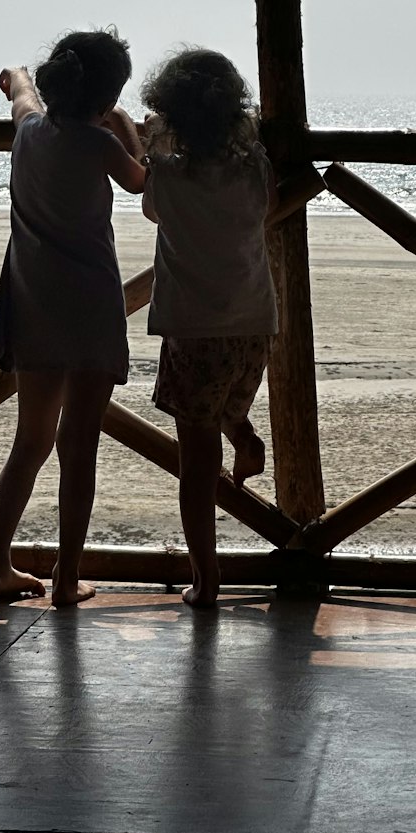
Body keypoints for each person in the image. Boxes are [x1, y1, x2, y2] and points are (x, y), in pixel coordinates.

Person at [0, 28, 145, 607]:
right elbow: (141, 181)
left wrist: (18, 77)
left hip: (33, 303)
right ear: (104, 101)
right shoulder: (101, 145)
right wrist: (124, 128)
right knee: (80, 444)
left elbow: (18, 87)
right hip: (91, 308)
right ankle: (66, 577)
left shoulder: (28, 130)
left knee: (31, 439)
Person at [141, 48, 278, 608]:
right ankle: (244, 437)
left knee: (196, 465)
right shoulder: (254, 168)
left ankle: (206, 577)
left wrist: (150, 144)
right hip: (252, 322)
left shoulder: (169, 178)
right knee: (226, 400)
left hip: (194, 330)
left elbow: (151, 209)